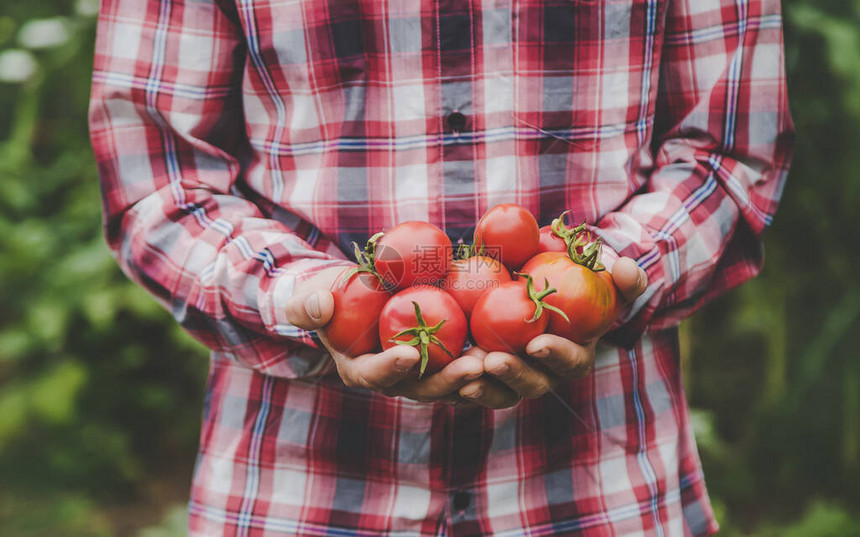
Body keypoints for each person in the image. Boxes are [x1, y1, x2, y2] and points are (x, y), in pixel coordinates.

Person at [89, 0, 793, 535]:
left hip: (602, 486)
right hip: (296, 487)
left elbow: (728, 149)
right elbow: (159, 181)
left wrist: (614, 274)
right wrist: (302, 295)